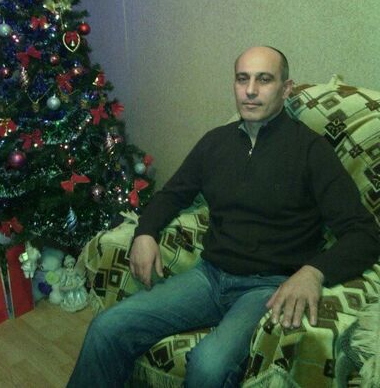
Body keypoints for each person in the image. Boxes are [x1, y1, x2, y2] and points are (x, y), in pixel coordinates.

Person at [68, 46, 379, 388]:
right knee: (107, 327)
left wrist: (313, 272)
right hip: (210, 276)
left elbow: (364, 234)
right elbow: (172, 195)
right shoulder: (215, 143)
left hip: (267, 288)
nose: (250, 90)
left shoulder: (311, 151)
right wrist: (145, 232)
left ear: (286, 89)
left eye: (264, 80)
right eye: (242, 79)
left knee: (209, 365)